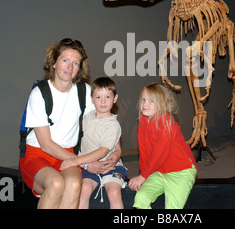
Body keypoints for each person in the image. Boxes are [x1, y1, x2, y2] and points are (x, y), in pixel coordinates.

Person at [19, 38, 121, 209]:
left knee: (74, 184)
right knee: (56, 183)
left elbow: (104, 119)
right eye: (65, 60)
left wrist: (116, 149)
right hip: (37, 154)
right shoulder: (39, 93)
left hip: (68, 153)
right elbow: (46, 145)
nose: (70, 67)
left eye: (75, 63)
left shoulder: (84, 91)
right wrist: (85, 163)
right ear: (53, 63)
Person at [60, 77, 127, 209]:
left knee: (114, 192)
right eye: (98, 97)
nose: (103, 101)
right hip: (89, 167)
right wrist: (84, 163)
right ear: (92, 99)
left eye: (107, 97)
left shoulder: (113, 125)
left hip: (110, 166)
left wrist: (77, 161)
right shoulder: (86, 117)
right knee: (83, 190)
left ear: (115, 98)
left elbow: (103, 151)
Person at [128, 83, 198, 209]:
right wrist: (144, 175)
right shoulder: (143, 120)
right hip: (159, 171)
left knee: (172, 207)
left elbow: (160, 152)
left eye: (151, 101)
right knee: (141, 198)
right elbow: (144, 151)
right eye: (143, 100)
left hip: (180, 171)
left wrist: (143, 176)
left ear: (162, 104)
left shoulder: (166, 122)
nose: (145, 104)